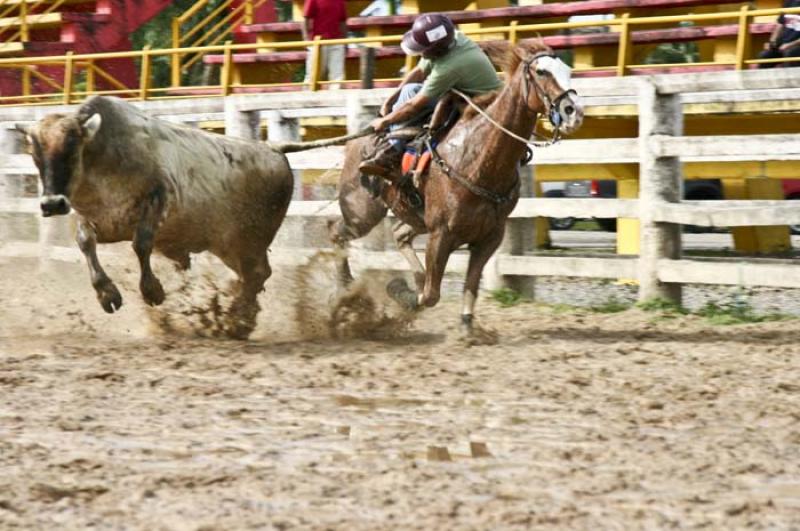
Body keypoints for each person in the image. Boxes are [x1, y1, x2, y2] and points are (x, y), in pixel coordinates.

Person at [359, 13, 503, 180]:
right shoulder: (454, 38)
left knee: (411, 93)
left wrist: (385, 121)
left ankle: (392, 150)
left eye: (422, 50)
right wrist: (392, 98)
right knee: (409, 89)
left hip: (481, 106)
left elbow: (414, 104)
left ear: (435, 50)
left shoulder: (449, 67)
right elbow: (420, 71)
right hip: (464, 93)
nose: (420, 54)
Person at [301, 0, 348, 89]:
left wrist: (345, 42)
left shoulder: (340, 1)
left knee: (338, 76)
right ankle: (308, 99)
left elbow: (342, 22)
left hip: (336, 42)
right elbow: (305, 19)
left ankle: (337, 100)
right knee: (313, 74)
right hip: (318, 42)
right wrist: (306, 39)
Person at [758, 0, 800, 69]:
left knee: (790, 53)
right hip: (783, 45)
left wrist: (791, 44)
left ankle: (790, 79)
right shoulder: (789, 2)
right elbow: (779, 25)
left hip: (796, 45)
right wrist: (771, 42)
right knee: (764, 55)